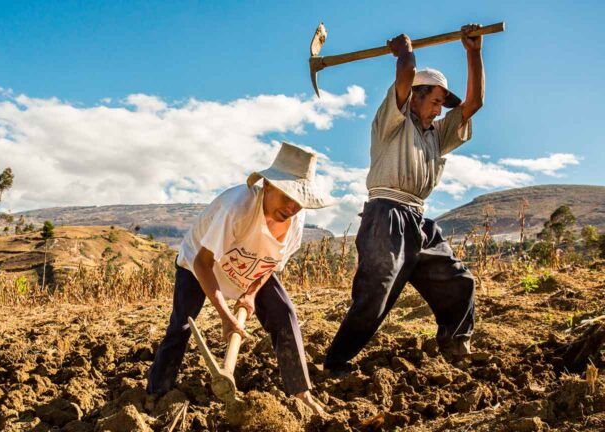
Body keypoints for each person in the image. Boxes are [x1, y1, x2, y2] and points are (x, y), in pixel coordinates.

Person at [324, 24, 486, 374]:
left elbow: (474, 103)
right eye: (436, 101)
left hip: (418, 219)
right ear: (415, 96)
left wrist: (473, 52)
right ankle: (336, 361)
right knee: (377, 291)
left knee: (458, 281)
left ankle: (455, 346)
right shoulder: (392, 122)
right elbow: (407, 72)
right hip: (386, 214)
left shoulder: (436, 135)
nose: (441, 111)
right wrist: (404, 53)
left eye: (443, 104)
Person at [147, 142, 333, 413]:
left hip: (249, 269)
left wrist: (250, 294)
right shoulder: (237, 207)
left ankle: (301, 393)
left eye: (299, 201)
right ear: (268, 185)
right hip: (199, 265)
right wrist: (225, 315)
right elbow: (203, 262)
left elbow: (270, 264)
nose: (292, 207)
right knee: (181, 325)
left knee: (285, 313)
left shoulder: (296, 222)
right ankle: (157, 392)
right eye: (286, 196)